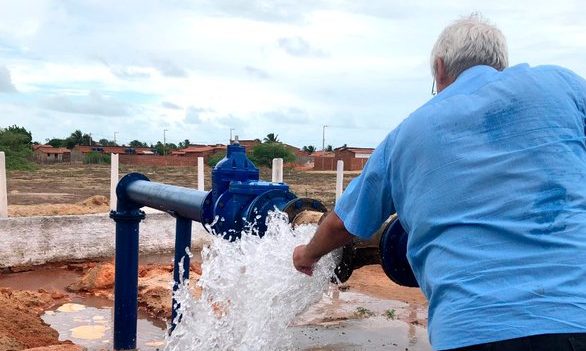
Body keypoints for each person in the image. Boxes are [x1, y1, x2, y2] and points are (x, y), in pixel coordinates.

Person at [293, 14, 586, 351]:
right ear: (500, 65)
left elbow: (342, 225)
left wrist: (307, 254)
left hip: (470, 329)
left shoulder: (406, 134)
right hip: (576, 317)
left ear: (440, 67)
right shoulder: (562, 86)